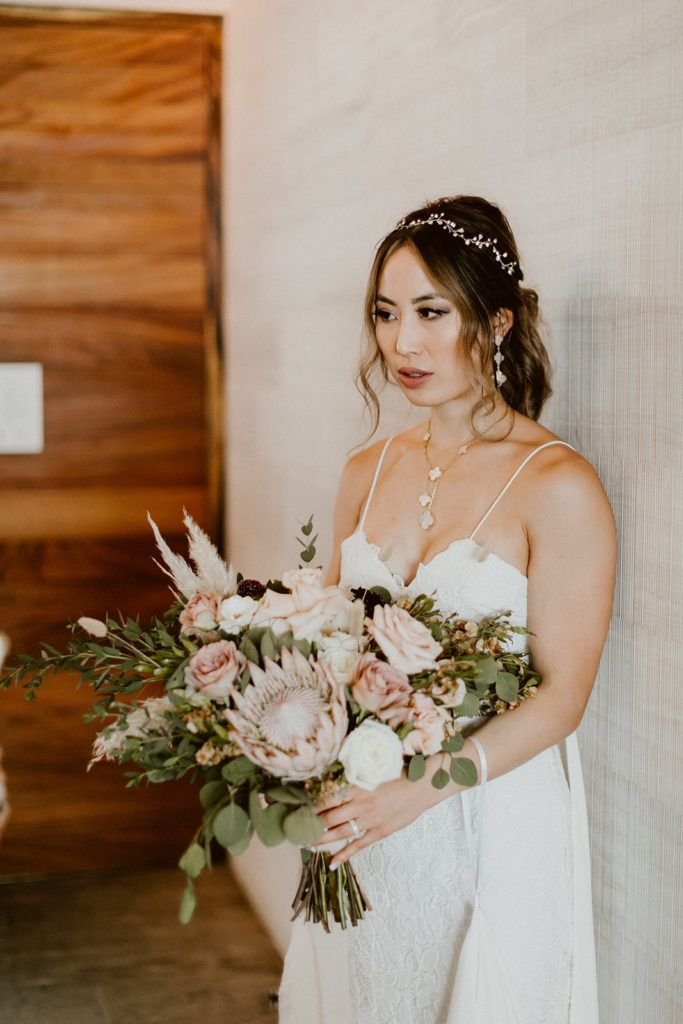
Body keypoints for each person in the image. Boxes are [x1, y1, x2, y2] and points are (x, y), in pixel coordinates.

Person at [278, 195, 617, 1023]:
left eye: (432, 312)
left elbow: (562, 696)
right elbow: (329, 641)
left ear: (496, 322)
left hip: (485, 820)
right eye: (386, 314)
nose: (402, 343)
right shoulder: (366, 468)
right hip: (365, 817)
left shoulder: (557, 486)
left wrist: (421, 789)